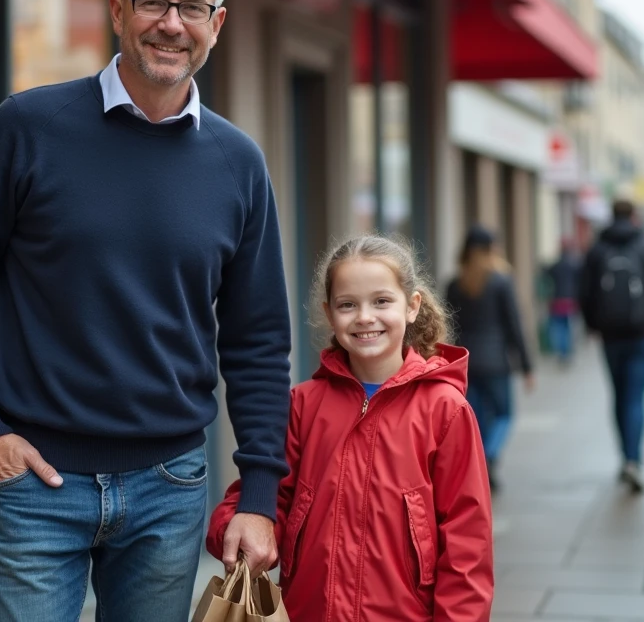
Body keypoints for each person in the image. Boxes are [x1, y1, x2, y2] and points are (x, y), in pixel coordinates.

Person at [0, 0, 292, 622]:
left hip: (170, 485)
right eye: (153, 2)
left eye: (191, 8)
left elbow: (259, 340)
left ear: (218, 23)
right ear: (118, 11)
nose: (171, 24)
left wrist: (262, 495)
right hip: (32, 483)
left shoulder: (239, 164)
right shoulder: (28, 127)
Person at [206, 235, 493, 621]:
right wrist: (232, 525)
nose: (364, 317)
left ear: (412, 307)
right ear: (329, 313)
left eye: (381, 301)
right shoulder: (304, 404)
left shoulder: (446, 410)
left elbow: (467, 545)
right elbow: (265, 496)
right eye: (347, 305)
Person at [579, 199, 644, 493]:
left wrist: (594, 325)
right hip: (643, 335)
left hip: (610, 336)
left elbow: (584, 292)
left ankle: (624, 456)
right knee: (636, 397)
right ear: (634, 216)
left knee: (619, 396)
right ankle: (634, 459)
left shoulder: (597, 249)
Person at [447, 225, 535, 492]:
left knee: (478, 417)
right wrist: (527, 365)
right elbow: (513, 324)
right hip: (496, 361)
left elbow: (448, 326)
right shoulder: (501, 280)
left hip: (466, 362)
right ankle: (489, 455)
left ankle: (481, 460)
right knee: (505, 414)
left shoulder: (455, 283)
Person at [545, 238, 582, 365]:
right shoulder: (575, 265)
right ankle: (567, 352)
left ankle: (562, 353)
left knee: (559, 328)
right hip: (570, 300)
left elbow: (546, 273)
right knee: (568, 327)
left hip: (557, 300)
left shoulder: (556, 265)